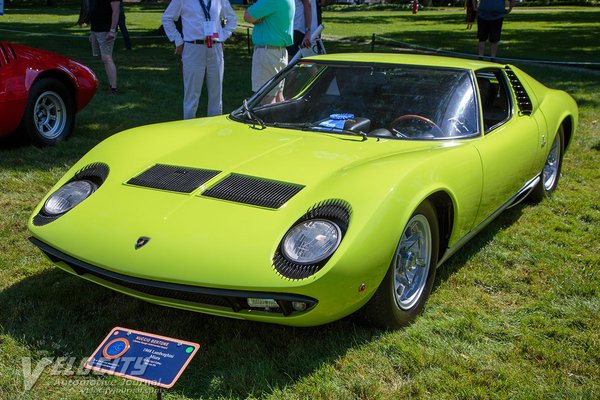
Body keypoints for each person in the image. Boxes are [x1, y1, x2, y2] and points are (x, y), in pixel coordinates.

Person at [162, 0, 237, 119]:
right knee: (192, 95)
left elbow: (232, 18)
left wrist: (223, 36)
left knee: (216, 94)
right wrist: (177, 40)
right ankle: (189, 129)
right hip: (193, 48)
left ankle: (214, 130)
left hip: (215, 47)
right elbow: (167, 18)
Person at [244, 0, 294, 103]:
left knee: (266, 98)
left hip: (267, 54)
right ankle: (281, 119)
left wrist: (256, 16)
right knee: (278, 96)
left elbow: (247, 16)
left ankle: (269, 119)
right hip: (279, 52)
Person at [90, 0, 120, 94]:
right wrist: (92, 32)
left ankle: (113, 88)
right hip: (96, 29)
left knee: (107, 58)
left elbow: (116, 12)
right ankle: (111, 85)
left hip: (106, 30)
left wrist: (112, 30)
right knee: (104, 59)